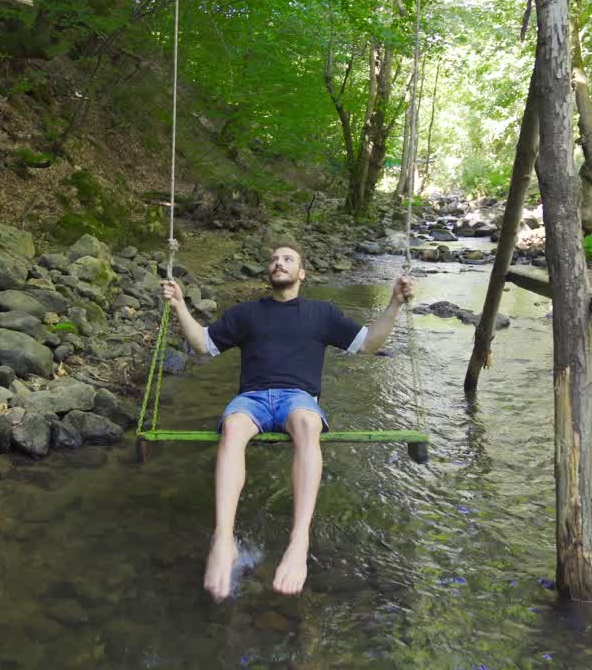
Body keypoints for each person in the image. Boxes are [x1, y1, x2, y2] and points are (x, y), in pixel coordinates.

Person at [161, 244, 415, 601]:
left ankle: (298, 541)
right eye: (274, 259)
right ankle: (223, 538)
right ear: (268, 271)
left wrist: (395, 303)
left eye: (288, 259)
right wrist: (179, 305)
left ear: (302, 273)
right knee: (232, 427)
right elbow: (203, 345)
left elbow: (369, 344)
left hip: (298, 398)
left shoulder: (322, 314)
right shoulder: (247, 313)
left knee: (308, 424)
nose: (278, 262)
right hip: (252, 398)